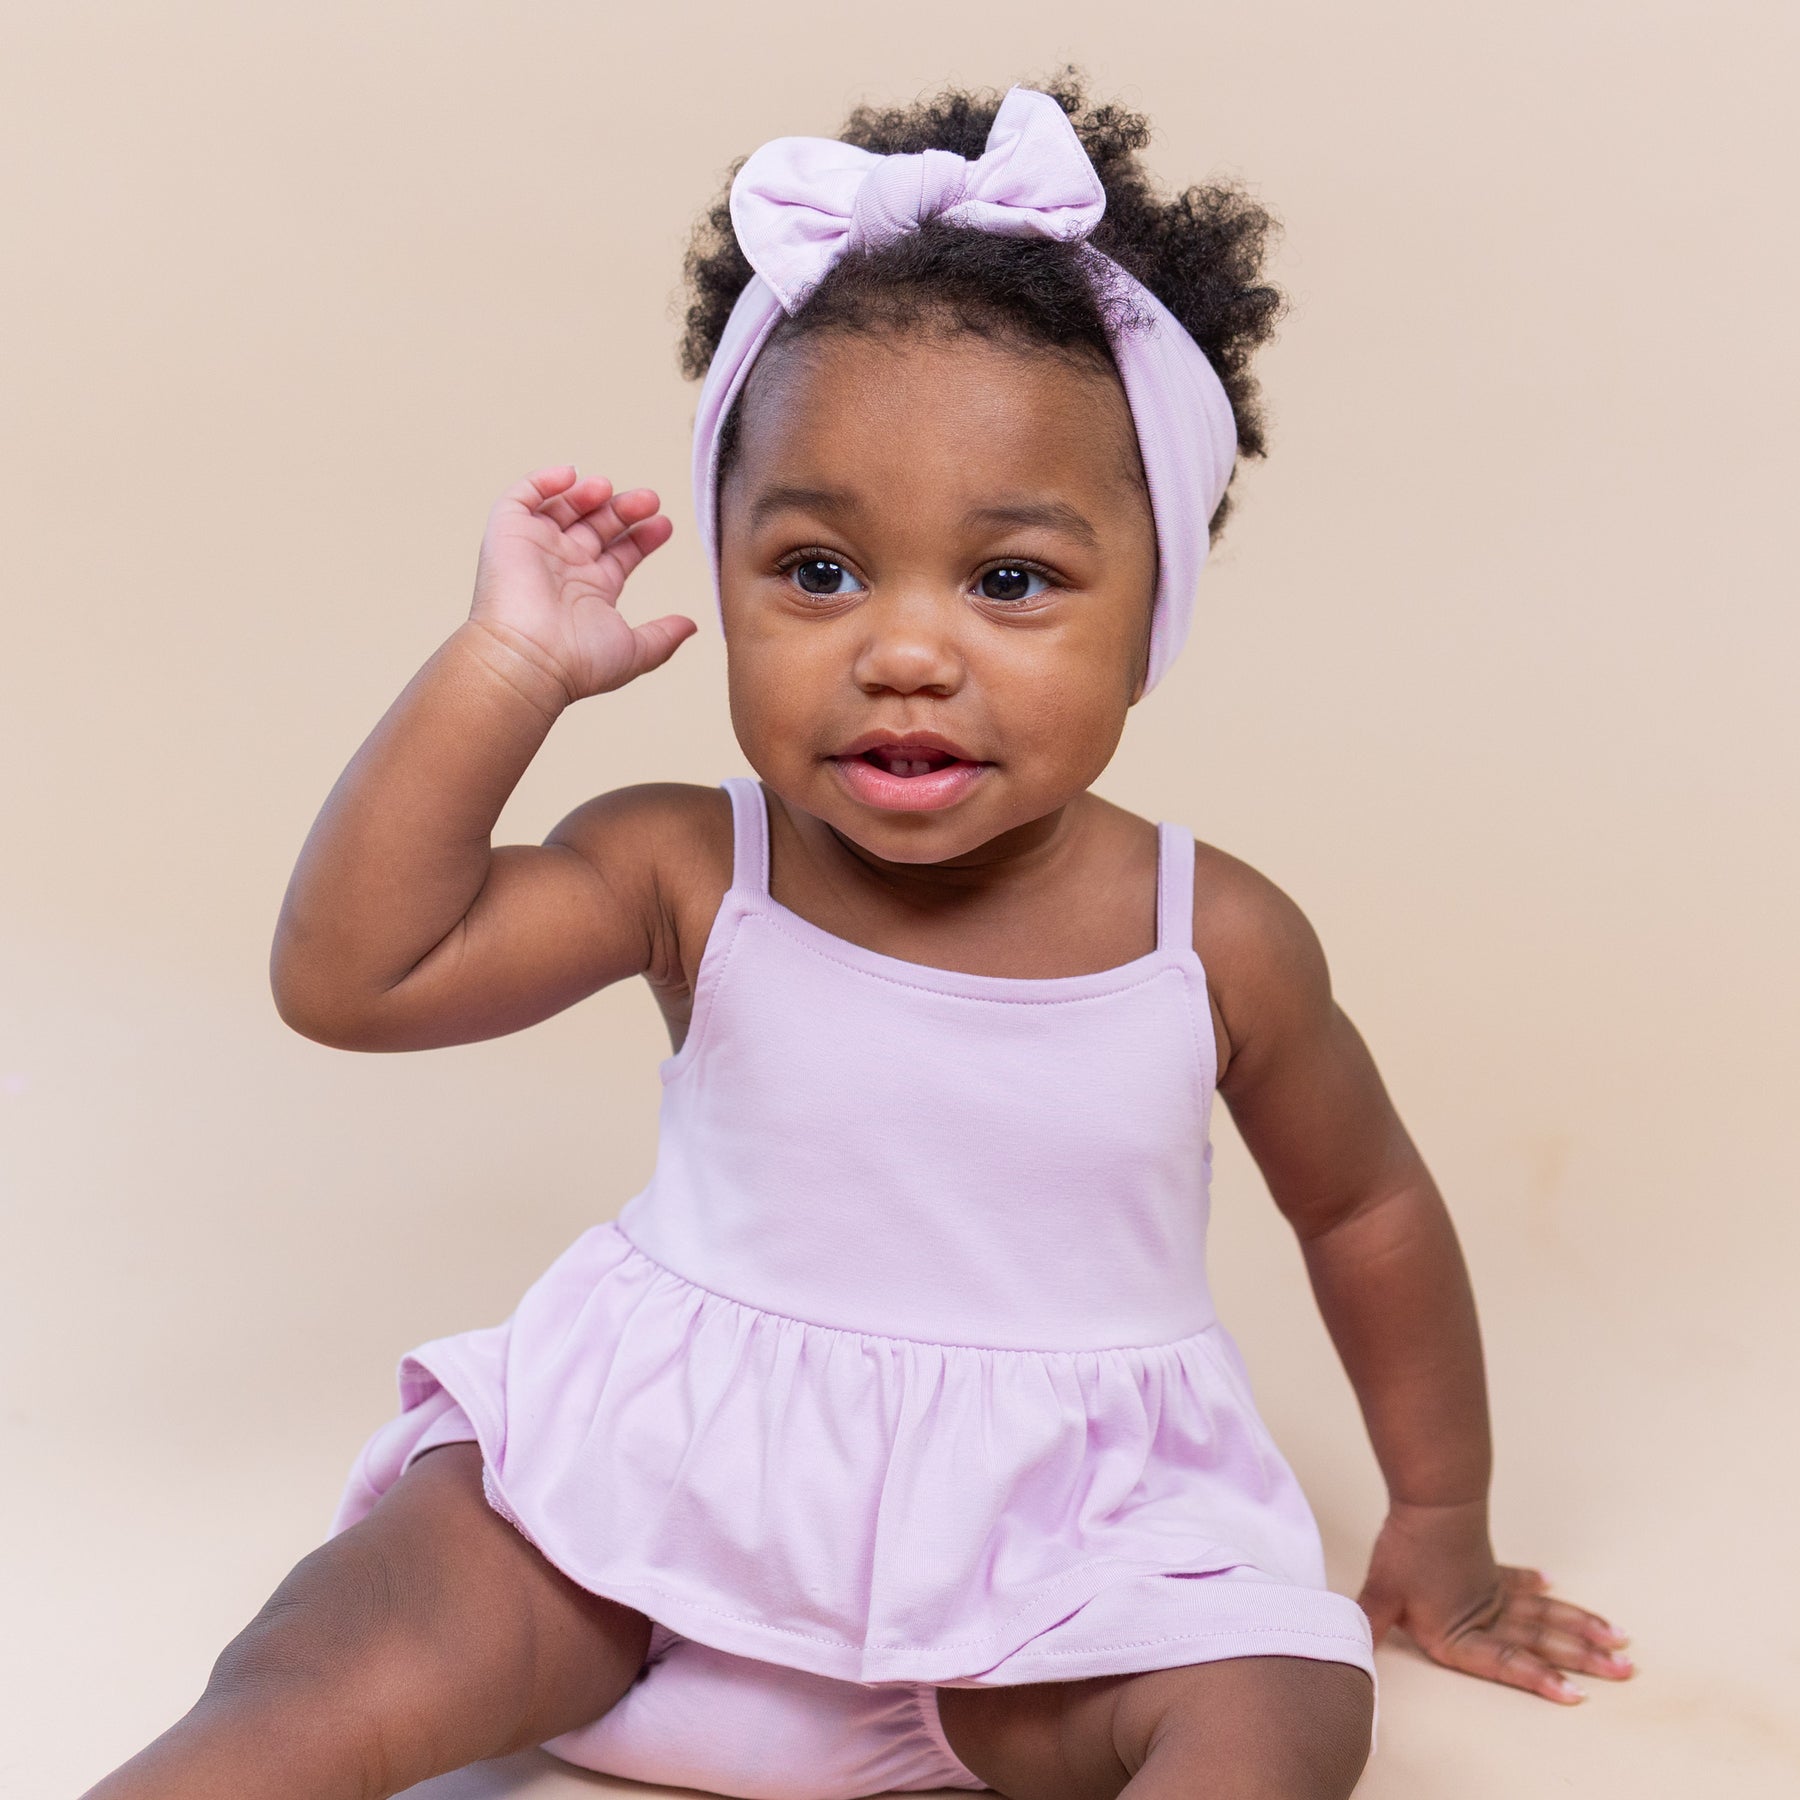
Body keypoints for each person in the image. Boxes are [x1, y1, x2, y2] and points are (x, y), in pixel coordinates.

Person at [87, 73, 1633, 1800]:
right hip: (640, 1526)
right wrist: (507, 670)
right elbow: (351, 981)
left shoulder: (1215, 936)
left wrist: (1442, 1521)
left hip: (1054, 1588)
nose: (905, 652)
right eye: (819, 572)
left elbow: (1364, 1207)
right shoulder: (691, 864)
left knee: (1280, 1696)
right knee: (339, 1640)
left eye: (1012, 582)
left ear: (1153, 612)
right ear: (732, 568)